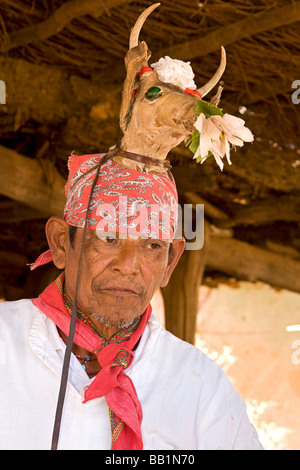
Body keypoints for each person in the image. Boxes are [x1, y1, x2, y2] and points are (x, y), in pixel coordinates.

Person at [0, 150, 263, 450]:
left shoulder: (202, 388)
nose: (128, 265)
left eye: (151, 245)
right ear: (61, 242)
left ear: (170, 261)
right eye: (108, 237)